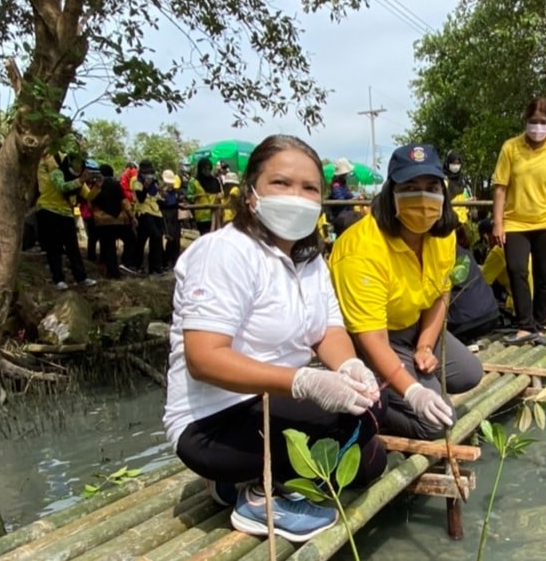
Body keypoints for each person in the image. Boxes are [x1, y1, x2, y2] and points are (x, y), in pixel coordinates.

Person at [163, 134, 385, 542]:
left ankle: (236, 482)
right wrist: (303, 381)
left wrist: (350, 368)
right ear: (250, 194)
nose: (296, 196)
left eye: (309, 188)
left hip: (271, 403)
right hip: (214, 420)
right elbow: (203, 358)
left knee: (370, 433)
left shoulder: (309, 258)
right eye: (281, 183)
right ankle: (258, 496)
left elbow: (329, 330)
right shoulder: (224, 252)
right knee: (361, 441)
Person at [330, 144, 482, 440]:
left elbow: (440, 294)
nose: (422, 197)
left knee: (469, 373)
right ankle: (377, 405)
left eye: (431, 187)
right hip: (369, 337)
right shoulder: (361, 250)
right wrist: (413, 392)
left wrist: (425, 345)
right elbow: (371, 336)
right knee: (438, 423)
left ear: (443, 193)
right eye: (410, 187)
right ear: (391, 194)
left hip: (412, 327)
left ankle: (401, 381)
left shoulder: (443, 236)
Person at [492, 97, 546, 346]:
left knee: (544, 274)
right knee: (517, 270)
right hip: (515, 222)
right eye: (533, 122)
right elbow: (499, 188)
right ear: (525, 121)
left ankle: (539, 324)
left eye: (543, 122)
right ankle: (524, 325)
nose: (537, 127)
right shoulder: (511, 148)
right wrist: (498, 223)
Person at [37, 152, 95, 289]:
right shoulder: (57, 173)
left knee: (73, 247)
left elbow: (89, 196)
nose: (79, 166)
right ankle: (58, 279)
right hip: (49, 210)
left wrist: (97, 186)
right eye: (76, 163)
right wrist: (80, 181)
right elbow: (62, 187)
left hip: (66, 213)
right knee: (54, 247)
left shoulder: (79, 179)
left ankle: (81, 277)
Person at [89, 164, 135, 279]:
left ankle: (112, 272)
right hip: (118, 220)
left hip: (102, 221)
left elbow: (89, 201)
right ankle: (125, 263)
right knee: (131, 239)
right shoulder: (116, 184)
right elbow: (124, 201)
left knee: (108, 246)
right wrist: (132, 216)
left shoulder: (97, 186)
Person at [128, 160, 165, 274]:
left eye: (150, 172)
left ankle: (154, 267)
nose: (148, 174)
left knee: (151, 240)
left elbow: (157, 198)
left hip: (156, 214)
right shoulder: (136, 180)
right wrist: (145, 185)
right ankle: (137, 265)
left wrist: (164, 196)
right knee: (155, 237)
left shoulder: (154, 183)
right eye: (146, 172)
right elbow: (140, 198)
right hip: (144, 213)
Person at [187, 158, 223, 234]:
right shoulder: (194, 181)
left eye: (209, 169)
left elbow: (220, 193)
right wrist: (197, 196)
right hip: (202, 216)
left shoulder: (215, 180)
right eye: (205, 169)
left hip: (215, 215)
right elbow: (189, 197)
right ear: (200, 169)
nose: (207, 171)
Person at [161, 169, 183, 269]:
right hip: (166, 216)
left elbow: (178, 200)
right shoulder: (161, 192)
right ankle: (166, 261)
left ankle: (175, 261)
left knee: (177, 239)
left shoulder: (176, 192)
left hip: (175, 216)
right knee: (170, 238)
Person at [327, 157, 355, 223]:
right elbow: (340, 200)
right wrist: (353, 200)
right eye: (346, 174)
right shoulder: (336, 186)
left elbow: (349, 196)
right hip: (340, 217)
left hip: (347, 214)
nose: (348, 175)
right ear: (342, 175)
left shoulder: (343, 185)